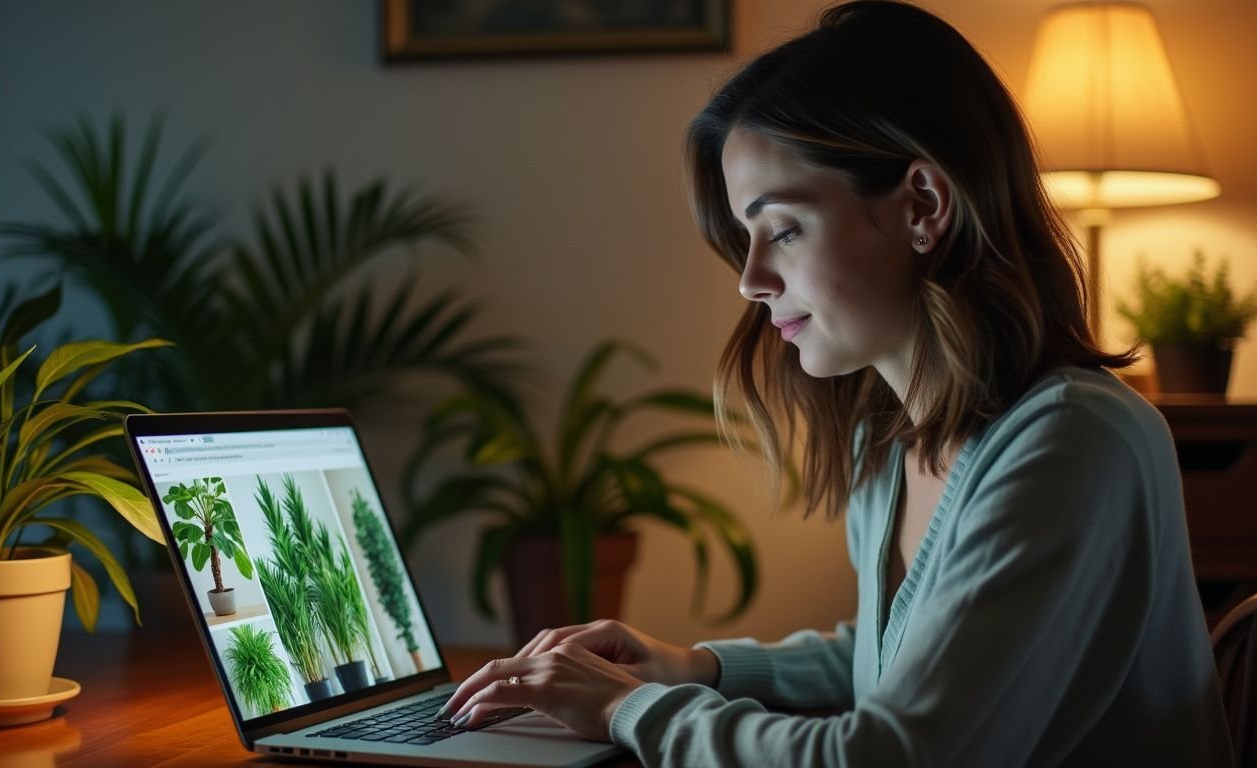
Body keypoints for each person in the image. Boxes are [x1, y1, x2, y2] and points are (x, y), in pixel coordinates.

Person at [437, 1, 1234, 765]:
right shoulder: (888, 435)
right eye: (747, 238)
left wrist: (625, 708)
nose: (750, 279)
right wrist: (695, 667)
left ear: (923, 204)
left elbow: (900, 753)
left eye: (782, 229)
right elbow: (893, 662)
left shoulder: (1073, 441)